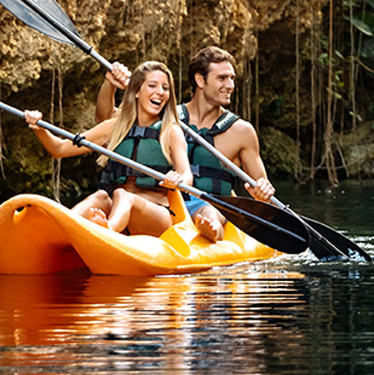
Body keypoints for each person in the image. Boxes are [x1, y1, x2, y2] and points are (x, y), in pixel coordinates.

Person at [98, 46, 277, 243]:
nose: (230, 85)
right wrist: (110, 84)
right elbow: (110, 121)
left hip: (213, 206)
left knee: (210, 214)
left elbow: (264, 195)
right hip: (166, 205)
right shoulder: (164, 114)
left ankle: (209, 231)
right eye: (222, 78)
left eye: (232, 78)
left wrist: (262, 192)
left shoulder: (242, 131)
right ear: (200, 80)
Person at [26, 61, 194, 236]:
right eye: (152, 85)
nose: (160, 92)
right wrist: (40, 129)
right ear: (136, 91)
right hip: (117, 208)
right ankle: (58, 230)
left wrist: (178, 180)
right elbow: (59, 149)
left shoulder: (171, 131)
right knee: (100, 197)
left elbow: (187, 175)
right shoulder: (114, 127)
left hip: (158, 214)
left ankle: (107, 233)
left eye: (165, 88)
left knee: (123, 195)